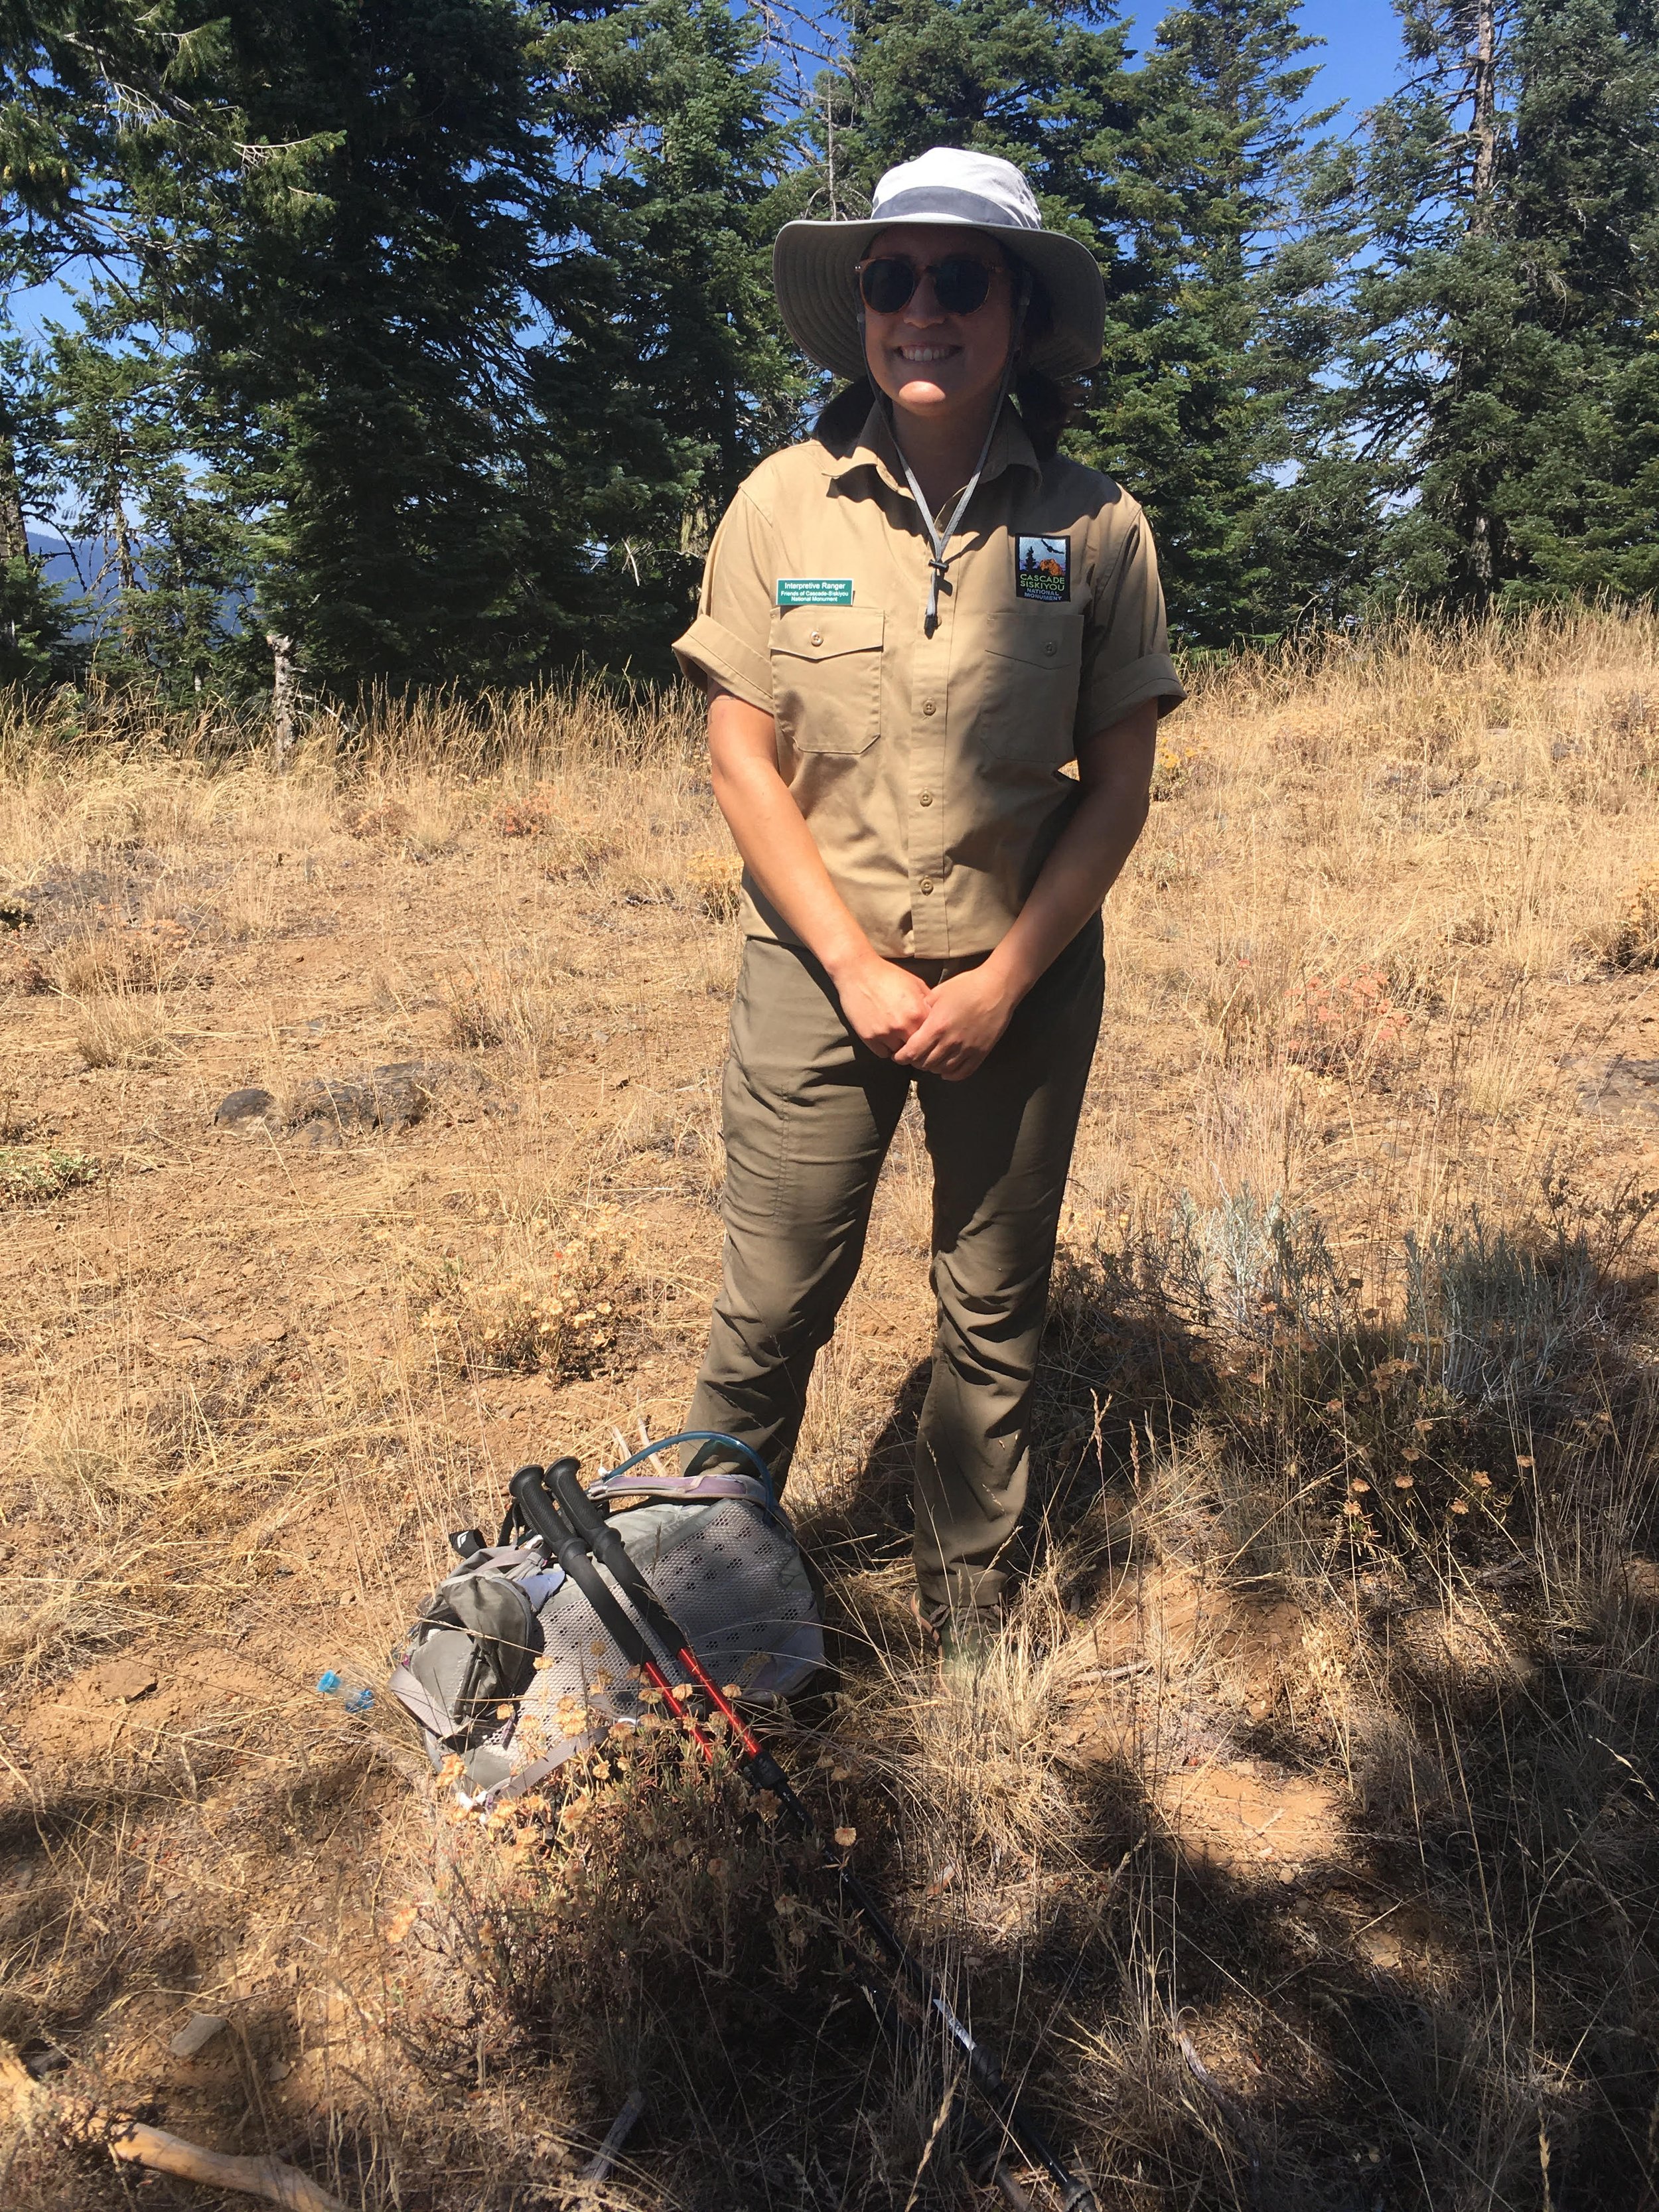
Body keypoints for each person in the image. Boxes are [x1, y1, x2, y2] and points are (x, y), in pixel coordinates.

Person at [672, 147, 1185, 1671]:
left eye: (955, 278)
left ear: (1015, 312)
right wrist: (854, 964)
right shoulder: (778, 506)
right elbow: (736, 752)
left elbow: (1117, 783)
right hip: (810, 980)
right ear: (860, 312)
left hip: (1017, 982)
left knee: (990, 1313)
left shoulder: (1097, 529)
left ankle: (968, 1635)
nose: (917, 309)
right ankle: (703, 1617)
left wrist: (998, 981)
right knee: (769, 1310)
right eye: (888, 278)